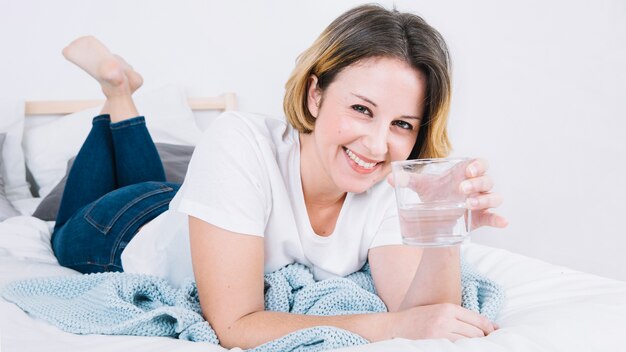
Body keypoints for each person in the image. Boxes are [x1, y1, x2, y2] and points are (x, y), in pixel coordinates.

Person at [51, 4, 507, 349]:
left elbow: (427, 315)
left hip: (198, 208)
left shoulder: (390, 181)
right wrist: (389, 327)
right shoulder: (238, 138)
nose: (376, 145)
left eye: (402, 124)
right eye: (361, 110)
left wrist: (446, 227)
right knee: (60, 224)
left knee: (160, 180)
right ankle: (115, 91)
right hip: (121, 228)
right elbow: (234, 325)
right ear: (315, 94)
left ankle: (121, 92)